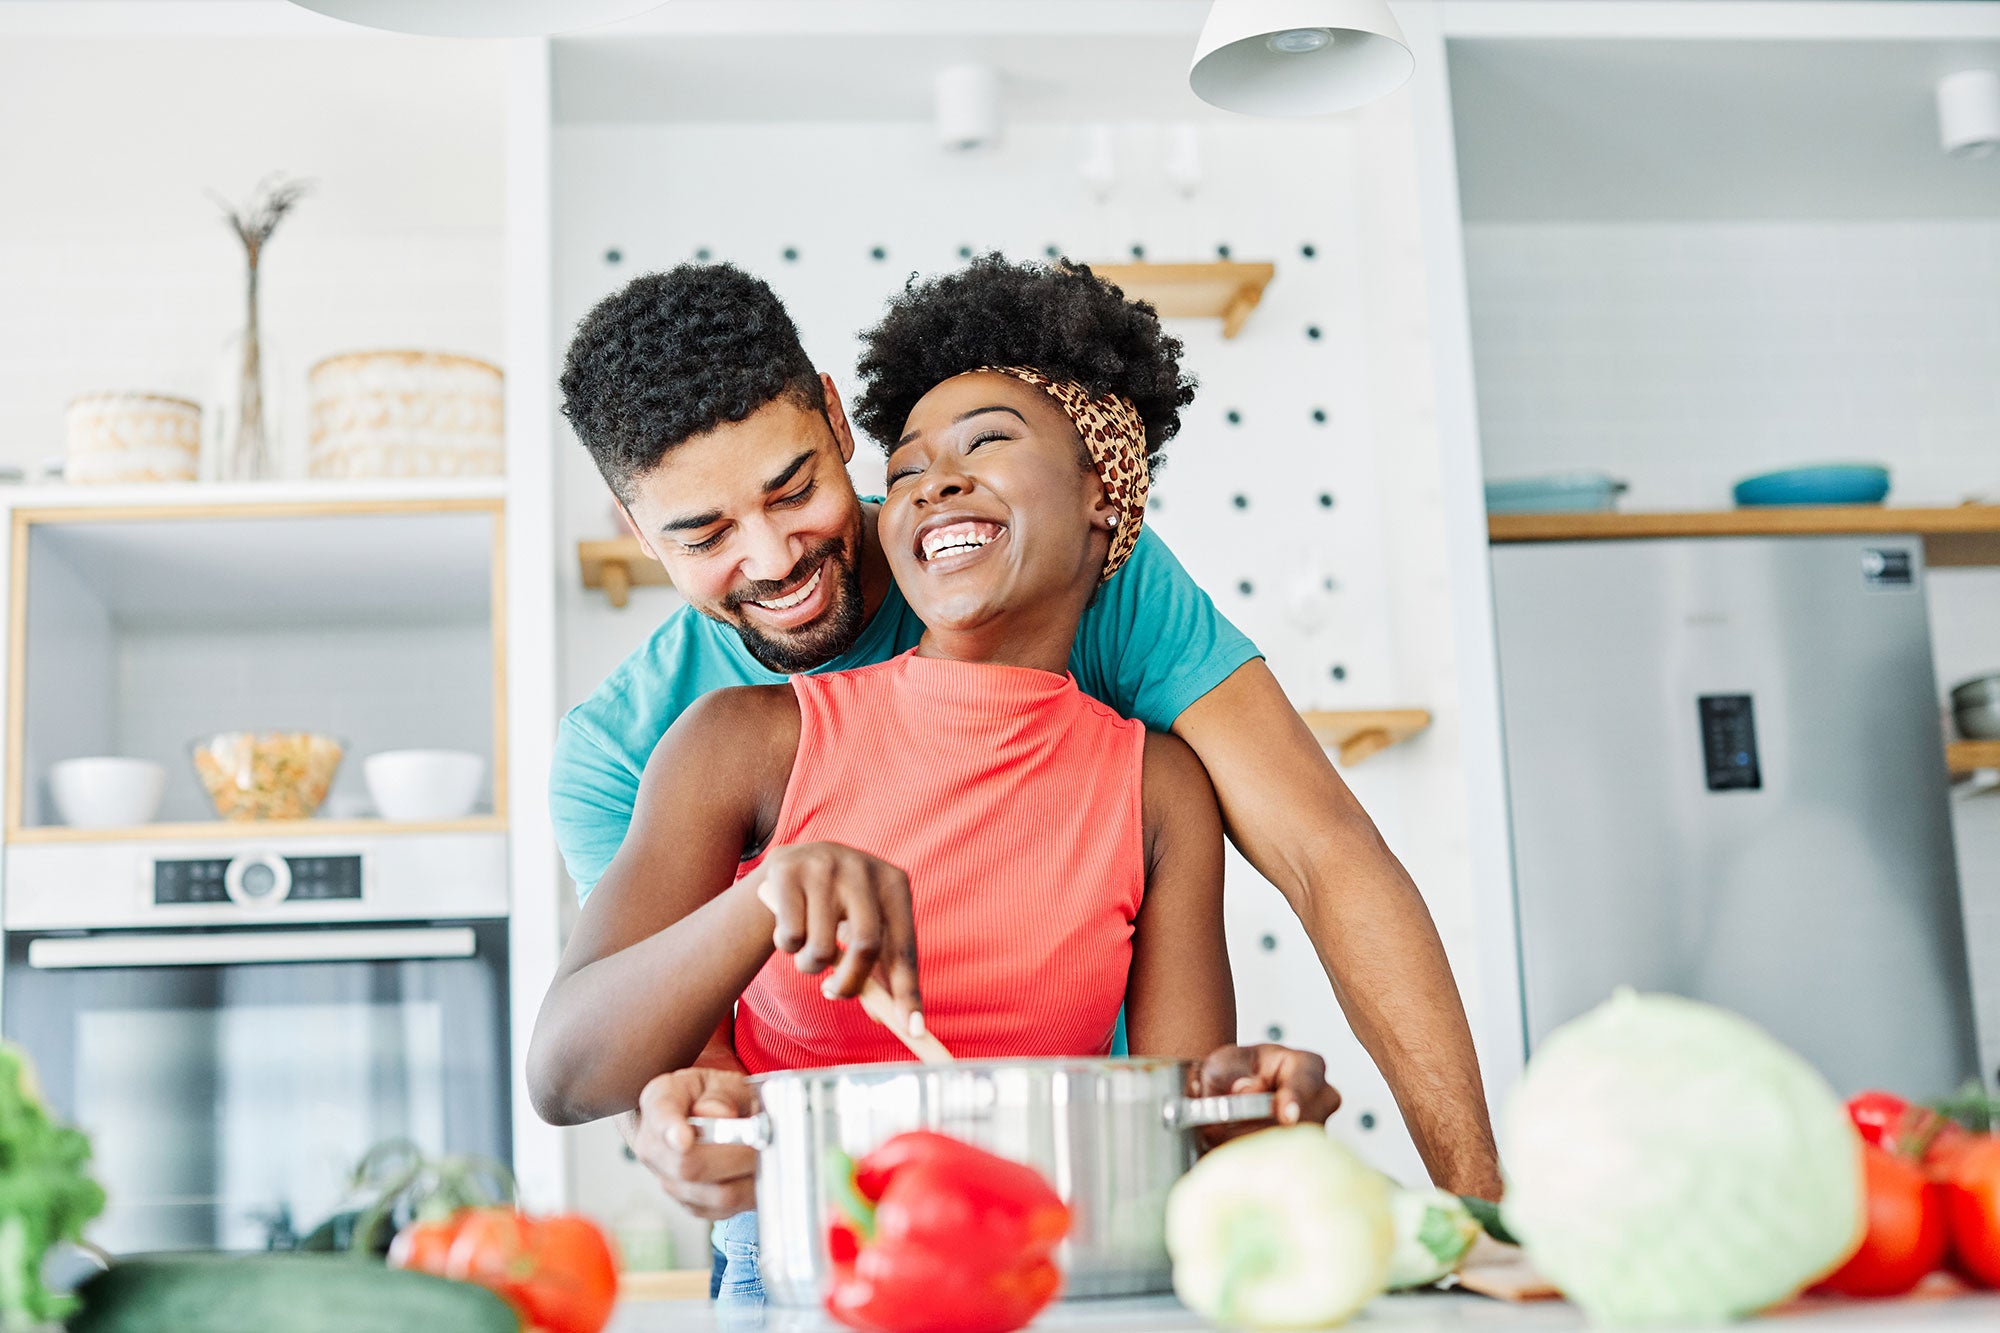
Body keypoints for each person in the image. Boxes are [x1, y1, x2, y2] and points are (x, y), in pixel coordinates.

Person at [549, 259, 1502, 1215]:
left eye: (794, 491)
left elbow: (1323, 852)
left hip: (1087, 1206)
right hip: (830, 1231)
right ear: (637, 530)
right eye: (704, 536)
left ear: (837, 424)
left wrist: (1477, 1209)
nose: (771, 557)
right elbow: (648, 1062)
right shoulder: (649, 748)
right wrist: (684, 1133)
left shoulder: (1072, 577)